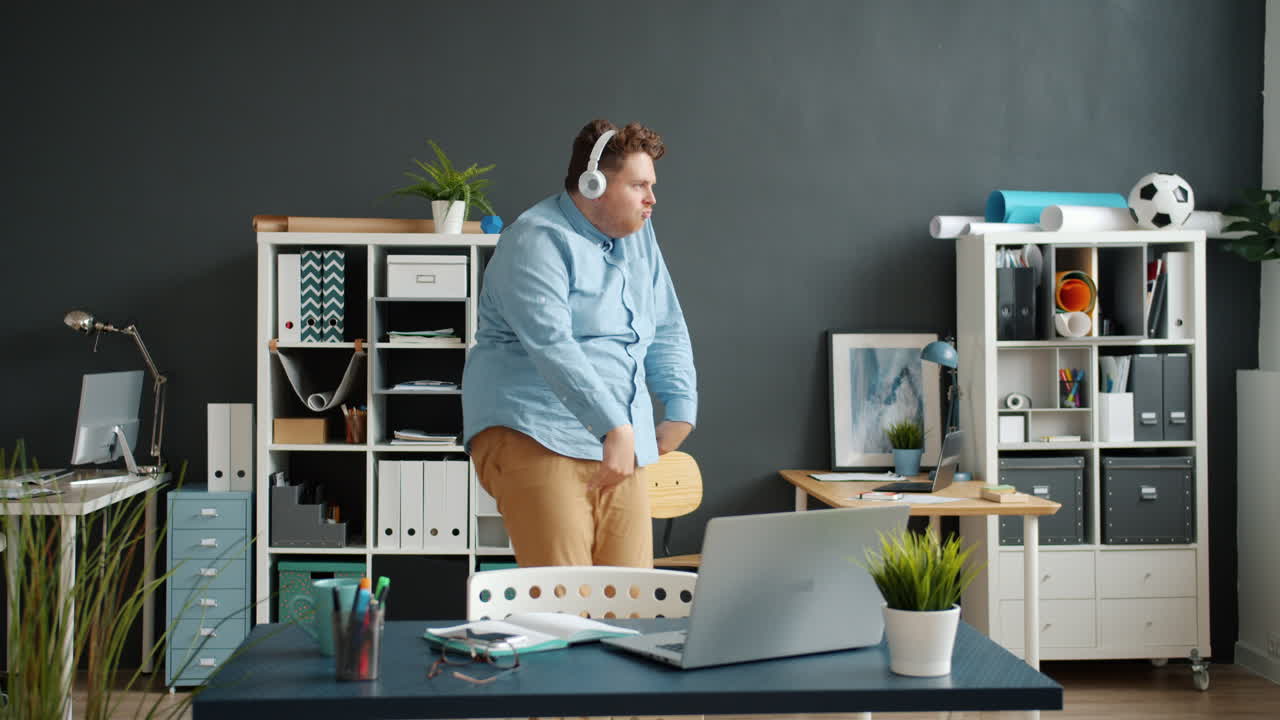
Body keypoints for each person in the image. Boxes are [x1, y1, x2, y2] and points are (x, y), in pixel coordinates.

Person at [461, 119, 698, 568]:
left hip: (617, 438)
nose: (651, 199)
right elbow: (552, 344)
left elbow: (665, 321)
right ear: (593, 185)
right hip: (537, 430)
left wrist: (680, 406)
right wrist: (614, 424)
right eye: (639, 185)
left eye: (652, 185)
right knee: (565, 601)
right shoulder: (535, 239)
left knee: (629, 600)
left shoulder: (639, 236)